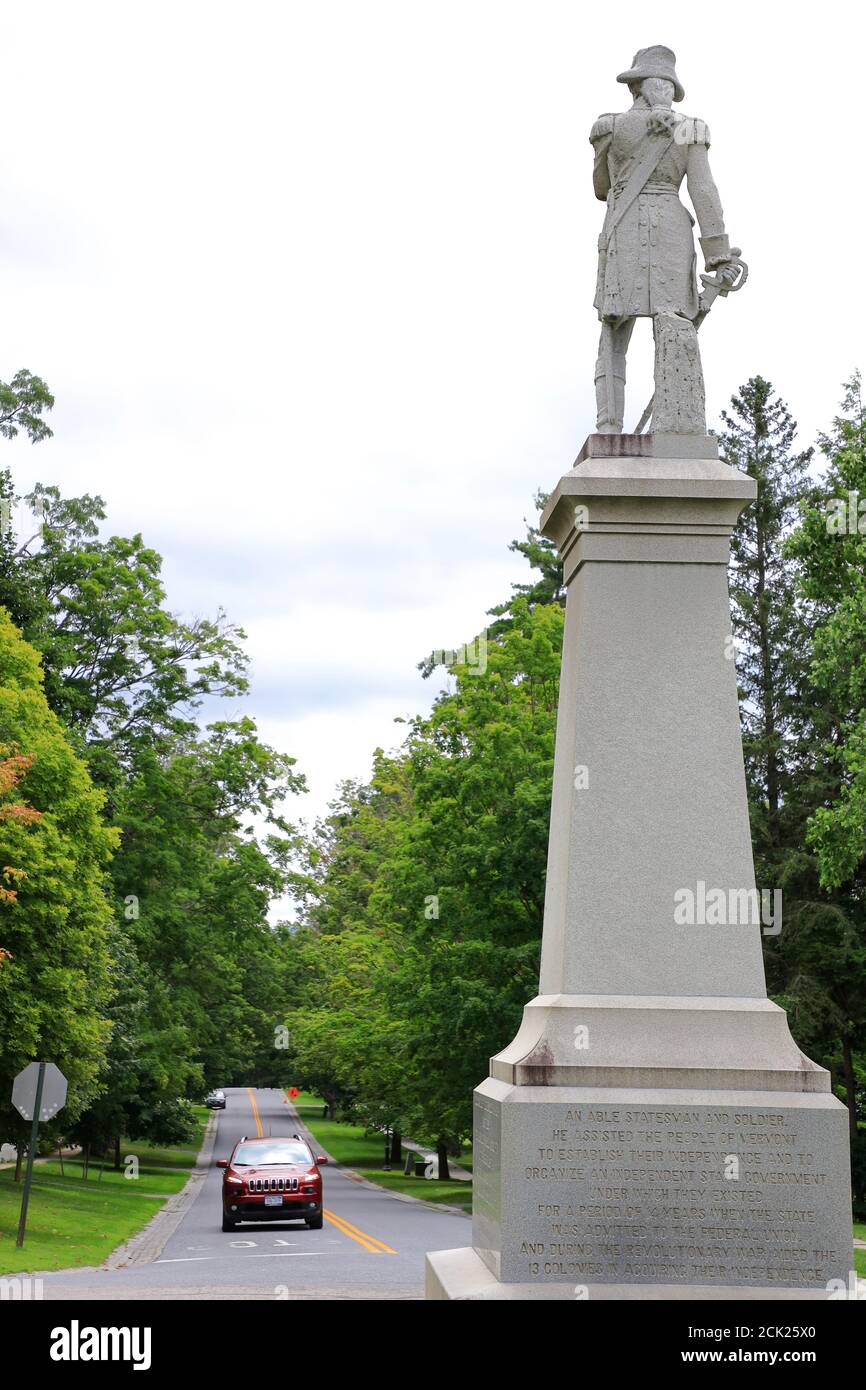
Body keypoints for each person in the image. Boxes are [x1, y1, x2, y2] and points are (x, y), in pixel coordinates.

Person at [591, 45, 742, 433]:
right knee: (670, 323)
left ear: (635, 87)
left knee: (616, 328)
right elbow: (704, 192)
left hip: (623, 226)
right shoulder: (690, 128)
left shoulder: (609, 126)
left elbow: (601, 188)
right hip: (672, 230)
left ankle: (609, 426)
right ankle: (679, 426)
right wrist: (719, 253)